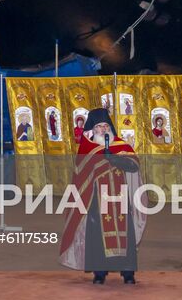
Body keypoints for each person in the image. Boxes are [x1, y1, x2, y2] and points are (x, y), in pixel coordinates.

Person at [57, 107, 145, 285]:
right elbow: (80, 178)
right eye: (99, 127)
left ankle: (127, 273)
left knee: (124, 234)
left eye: (106, 126)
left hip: (120, 198)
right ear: (92, 130)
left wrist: (114, 159)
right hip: (95, 201)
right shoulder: (86, 151)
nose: (103, 130)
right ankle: (99, 273)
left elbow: (133, 165)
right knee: (96, 237)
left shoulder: (121, 146)